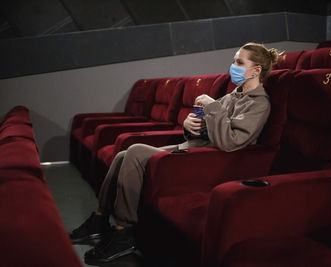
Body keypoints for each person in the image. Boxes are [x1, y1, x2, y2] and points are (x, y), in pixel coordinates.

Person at [69, 42, 279, 265]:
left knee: (135, 150)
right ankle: (100, 219)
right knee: (122, 156)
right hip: (196, 148)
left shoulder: (260, 104)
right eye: (233, 61)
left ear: (256, 70)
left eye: (239, 62)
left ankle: (123, 232)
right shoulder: (231, 96)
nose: (233, 66)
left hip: (212, 161)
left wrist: (212, 107)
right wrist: (190, 125)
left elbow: (230, 142)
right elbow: (209, 128)